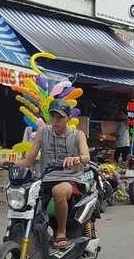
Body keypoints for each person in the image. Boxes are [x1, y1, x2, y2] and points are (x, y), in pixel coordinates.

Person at [18, 100, 90, 249]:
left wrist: (77, 158)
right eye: (53, 116)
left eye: (60, 117)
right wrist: (11, 165)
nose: (55, 121)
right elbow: (29, 160)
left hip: (71, 179)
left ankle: (61, 233)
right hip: (45, 179)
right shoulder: (42, 132)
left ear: (68, 119)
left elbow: (86, 157)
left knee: (58, 191)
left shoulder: (78, 135)